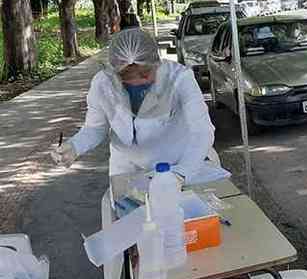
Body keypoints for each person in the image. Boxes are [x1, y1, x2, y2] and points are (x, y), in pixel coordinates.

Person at [51, 28, 217, 179]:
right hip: (126, 166)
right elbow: (95, 128)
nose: (136, 82)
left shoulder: (180, 78)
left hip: (177, 163)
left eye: (145, 75)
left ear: (156, 63)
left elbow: (202, 131)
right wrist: (74, 146)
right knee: (126, 209)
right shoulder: (103, 83)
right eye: (126, 78)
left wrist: (182, 173)